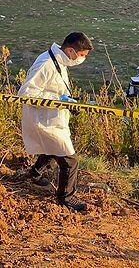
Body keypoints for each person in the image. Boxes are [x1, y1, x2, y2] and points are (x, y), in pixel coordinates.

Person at [19, 32, 93, 212]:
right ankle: (65, 198)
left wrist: (66, 100)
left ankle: (34, 173)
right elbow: (25, 93)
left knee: (52, 149)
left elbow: (53, 87)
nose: (81, 60)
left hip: (52, 118)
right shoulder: (46, 64)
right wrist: (58, 99)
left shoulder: (58, 60)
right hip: (43, 120)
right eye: (81, 56)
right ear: (70, 50)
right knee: (69, 160)